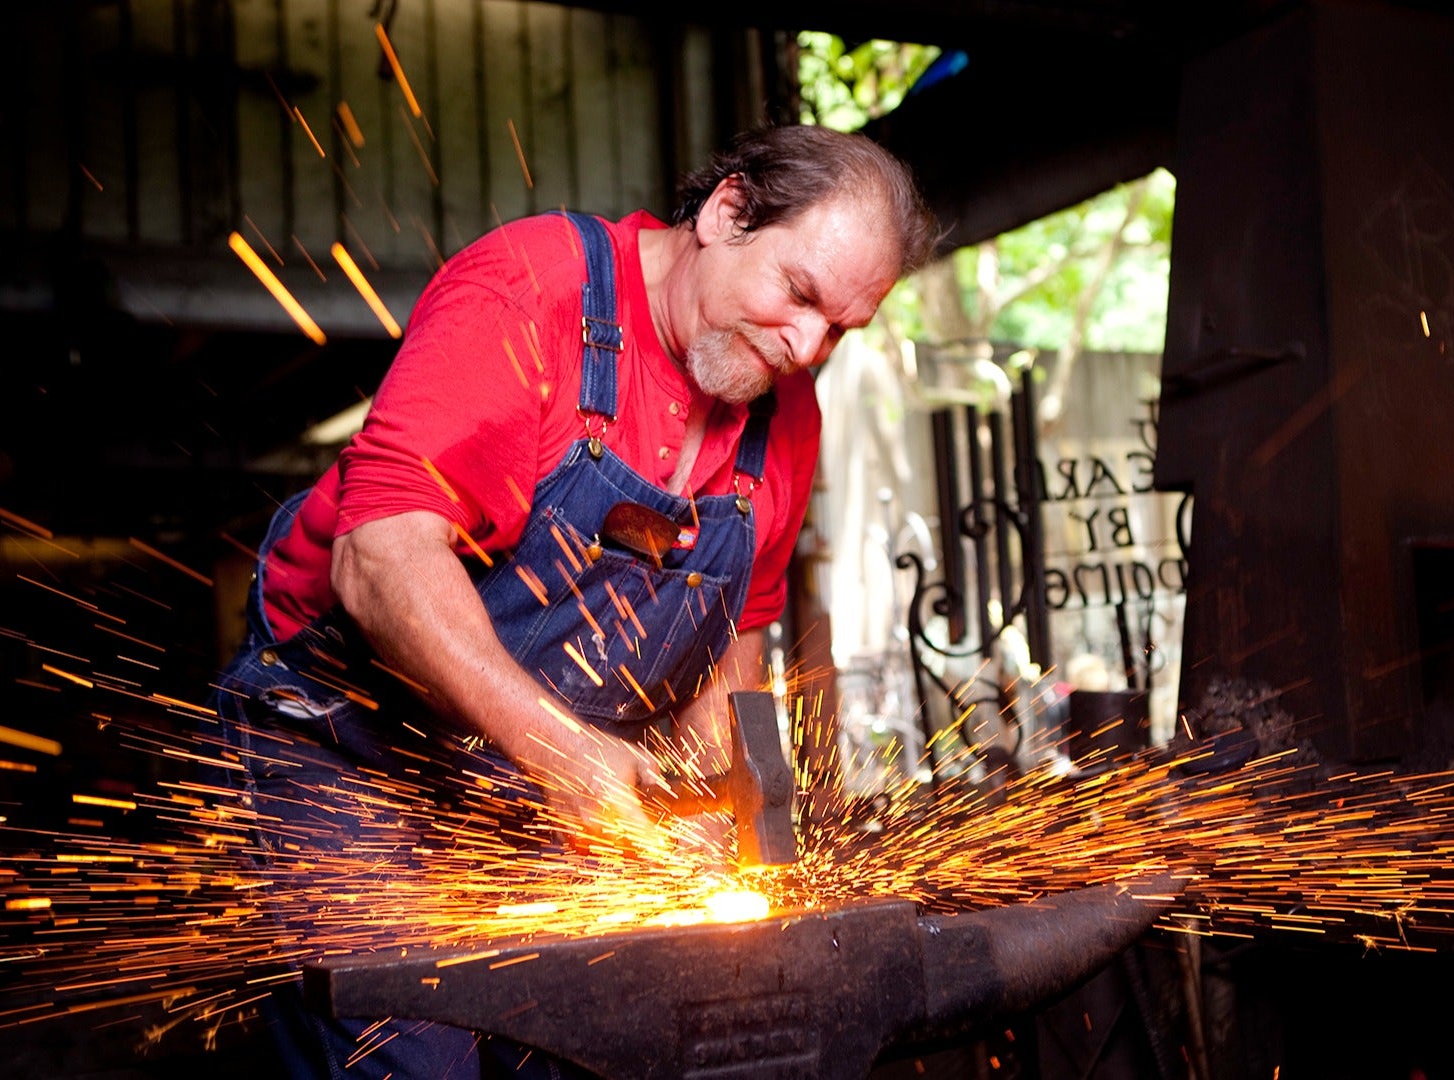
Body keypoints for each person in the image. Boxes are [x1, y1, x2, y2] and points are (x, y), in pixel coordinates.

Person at [209, 125, 935, 1078]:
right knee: (414, 1053)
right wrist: (563, 754)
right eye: (799, 294)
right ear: (727, 213)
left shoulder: (786, 413)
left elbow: (732, 644)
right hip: (354, 747)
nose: (807, 347)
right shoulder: (527, 295)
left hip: (545, 778)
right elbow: (379, 557)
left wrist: (719, 810)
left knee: (581, 1046)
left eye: (840, 328)